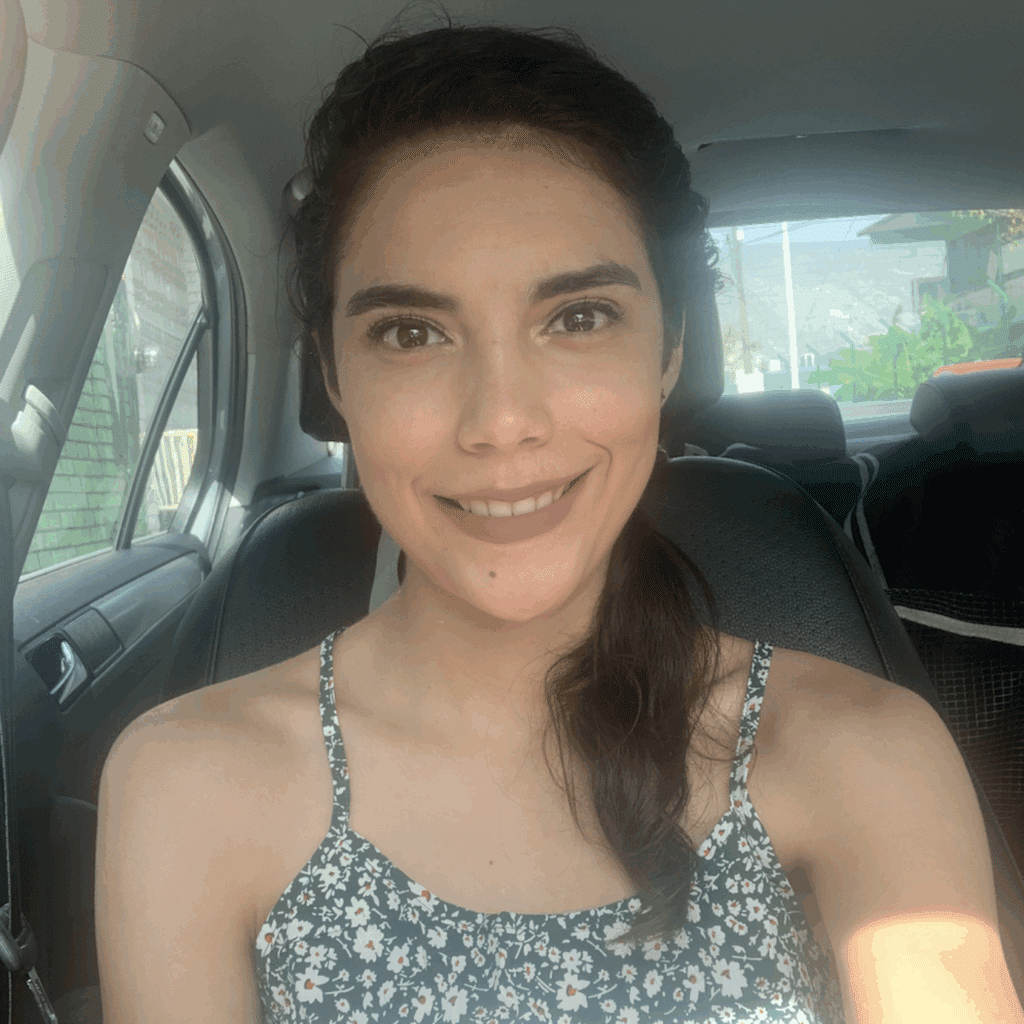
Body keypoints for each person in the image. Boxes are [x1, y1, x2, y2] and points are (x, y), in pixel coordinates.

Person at [95, 9, 1022, 1024]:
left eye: (578, 318)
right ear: (332, 375)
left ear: (668, 351)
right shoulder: (184, 780)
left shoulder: (861, 751)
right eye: (410, 331)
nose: (501, 422)